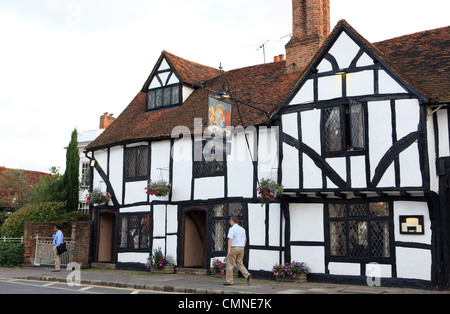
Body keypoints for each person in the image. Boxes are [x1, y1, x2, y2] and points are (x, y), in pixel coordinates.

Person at [224, 216, 252, 286]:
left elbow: (230, 239)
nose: (230, 222)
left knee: (230, 265)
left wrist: (229, 249)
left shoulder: (232, 229)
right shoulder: (242, 229)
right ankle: (247, 275)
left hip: (234, 247)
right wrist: (242, 246)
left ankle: (230, 281)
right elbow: (245, 240)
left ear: (233, 221)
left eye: (230, 221)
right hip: (241, 248)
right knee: (239, 263)